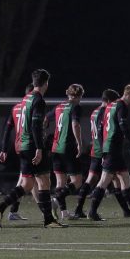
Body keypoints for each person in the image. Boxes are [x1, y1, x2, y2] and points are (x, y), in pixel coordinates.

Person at [0, 69, 64, 228]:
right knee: (44, 180)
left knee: (27, 184)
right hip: (31, 145)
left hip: (22, 146)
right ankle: (49, 220)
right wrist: (39, 148)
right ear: (46, 83)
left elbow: (11, 127)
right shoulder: (38, 100)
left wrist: (5, 148)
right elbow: (36, 126)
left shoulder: (25, 99)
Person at [87, 84, 130, 221]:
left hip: (110, 147)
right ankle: (92, 211)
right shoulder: (122, 105)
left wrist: (103, 147)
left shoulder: (110, 105)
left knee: (125, 177)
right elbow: (123, 127)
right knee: (104, 181)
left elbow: (101, 128)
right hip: (113, 149)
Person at [70, 89, 130, 219]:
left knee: (94, 180)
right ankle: (123, 210)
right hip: (103, 150)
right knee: (112, 180)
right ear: (110, 101)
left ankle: (79, 209)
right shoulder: (104, 111)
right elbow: (102, 131)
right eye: (114, 102)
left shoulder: (95, 111)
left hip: (96, 149)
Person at [0, 83, 37, 221]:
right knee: (32, 181)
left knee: (24, 179)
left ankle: (13, 211)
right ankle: (48, 212)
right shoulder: (32, 106)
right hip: (29, 147)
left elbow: (7, 130)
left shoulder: (15, 107)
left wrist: (4, 149)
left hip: (19, 146)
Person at [49, 84, 85, 221]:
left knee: (60, 181)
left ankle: (63, 212)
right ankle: (57, 198)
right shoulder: (75, 106)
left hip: (55, 148)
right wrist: (79, 143)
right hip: (68, 148)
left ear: (67, 93)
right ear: (80, 95)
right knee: (77, 181)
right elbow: (75, 124)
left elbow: (46, 118)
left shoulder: (58, 107)